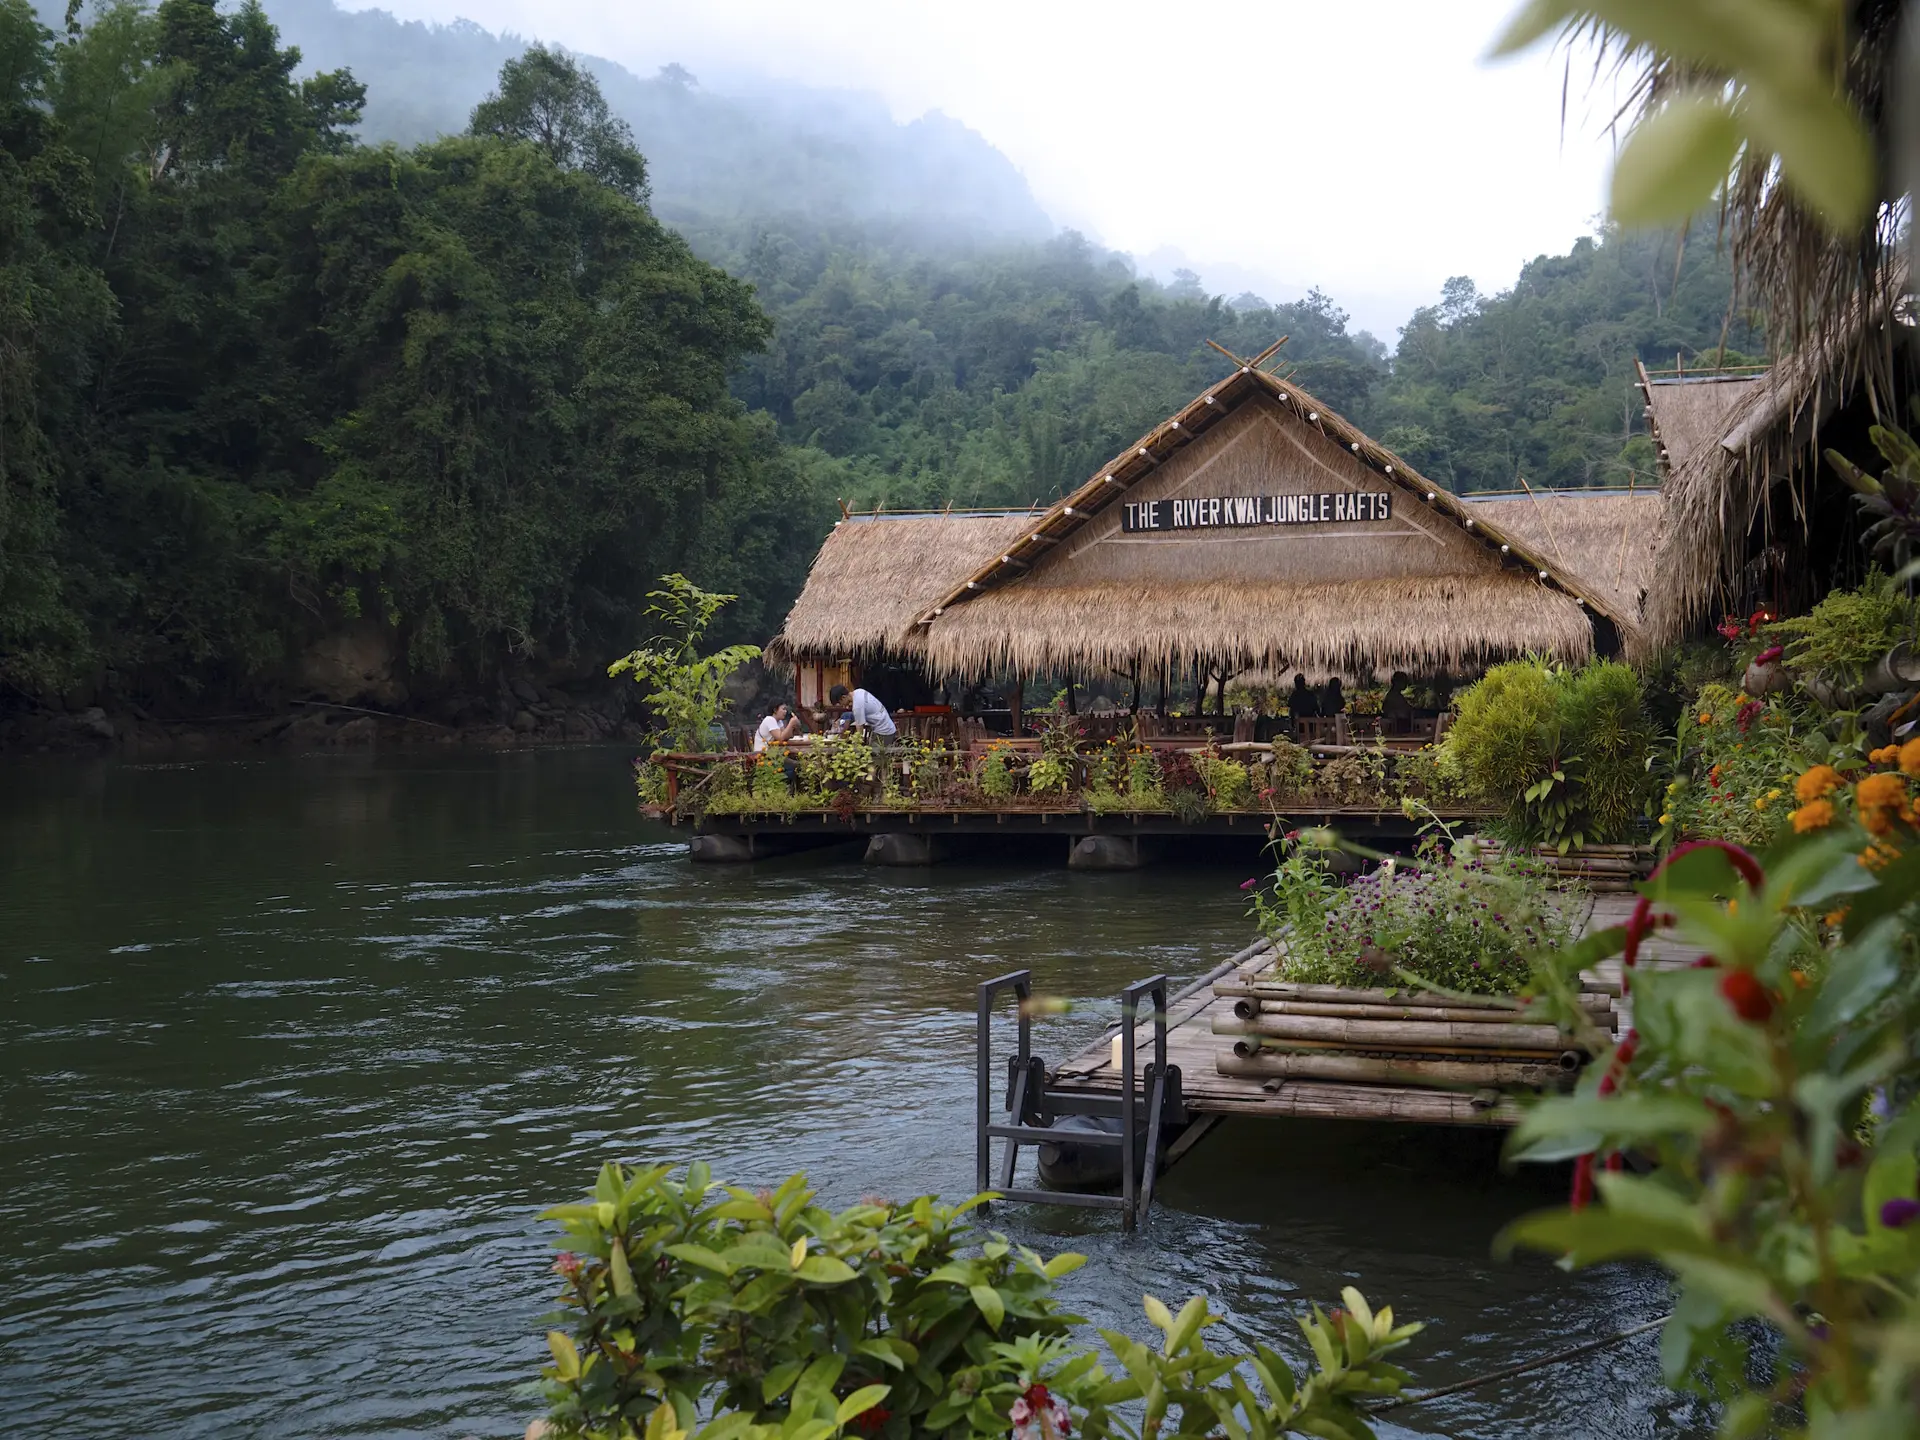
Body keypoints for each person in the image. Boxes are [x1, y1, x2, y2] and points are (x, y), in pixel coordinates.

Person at [828, 683, 896, 738]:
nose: (842, 706)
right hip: (888, 726)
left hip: (884, 731)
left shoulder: (857, 706)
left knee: (874, 754)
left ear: (843, 697)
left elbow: (859, 732)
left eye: (840, 703)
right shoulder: (859, 691)